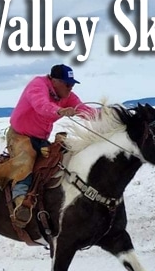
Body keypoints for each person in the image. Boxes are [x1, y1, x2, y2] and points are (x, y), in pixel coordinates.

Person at [6, 64, 95, 226]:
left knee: (57, 161)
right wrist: (60, 111)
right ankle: (20, 204)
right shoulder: (37, 86)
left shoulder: (66, 96)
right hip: (19, 136)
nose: (70, 88)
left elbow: (83, 109)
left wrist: (108, 116)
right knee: (25, 163)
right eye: (67, 84)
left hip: (40, 138)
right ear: (55, 81)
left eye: (72, 84)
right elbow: (41, 106)